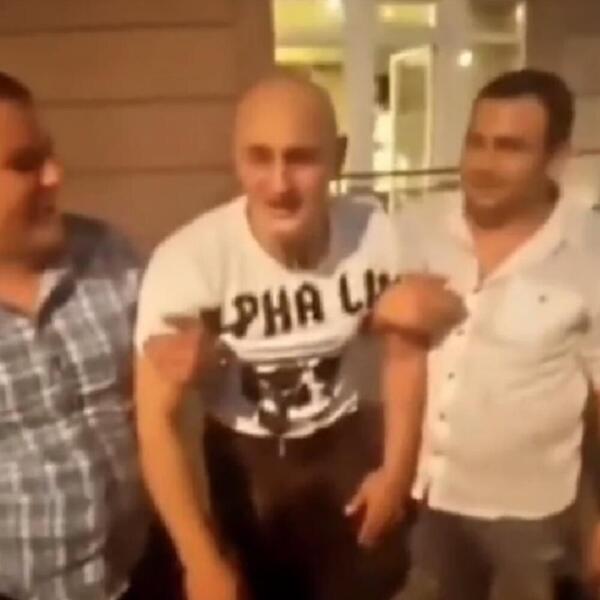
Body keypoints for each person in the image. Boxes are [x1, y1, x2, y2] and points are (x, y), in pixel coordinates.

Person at [134, 72, 463, 600]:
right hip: (243, 453)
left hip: (343, 441)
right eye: (259, 158)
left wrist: (396, 473)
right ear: (235, 157)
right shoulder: (189, 261)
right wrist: (198, 560)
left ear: (339, 157)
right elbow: (156, 423)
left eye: (301, 158)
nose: (280, 185)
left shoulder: (376, 232)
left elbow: (406, 354)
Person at [394, 68, 600, 600]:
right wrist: (381, 312)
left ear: (557, 157)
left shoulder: (590, 251)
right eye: (476, 142)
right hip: (426, 505)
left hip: (534, 523)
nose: (484, 164)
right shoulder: (415, 226)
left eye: (510, 148)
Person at [0, 71, 151, 599]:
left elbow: (171, 403)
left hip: (142, 575)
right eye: (25, 164)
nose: (54, 176)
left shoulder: (110, 256)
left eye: (49, 155)